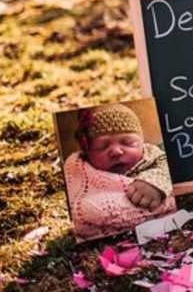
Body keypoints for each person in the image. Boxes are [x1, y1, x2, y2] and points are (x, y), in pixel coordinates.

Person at [64, 103, 175, 241]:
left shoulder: (153, 156)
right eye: (102, 146)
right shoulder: (81, 168)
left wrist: (155, 182)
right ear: (88, 153)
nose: (116, 151)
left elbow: (169, 167)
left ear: (142, 143)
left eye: (128, 142)